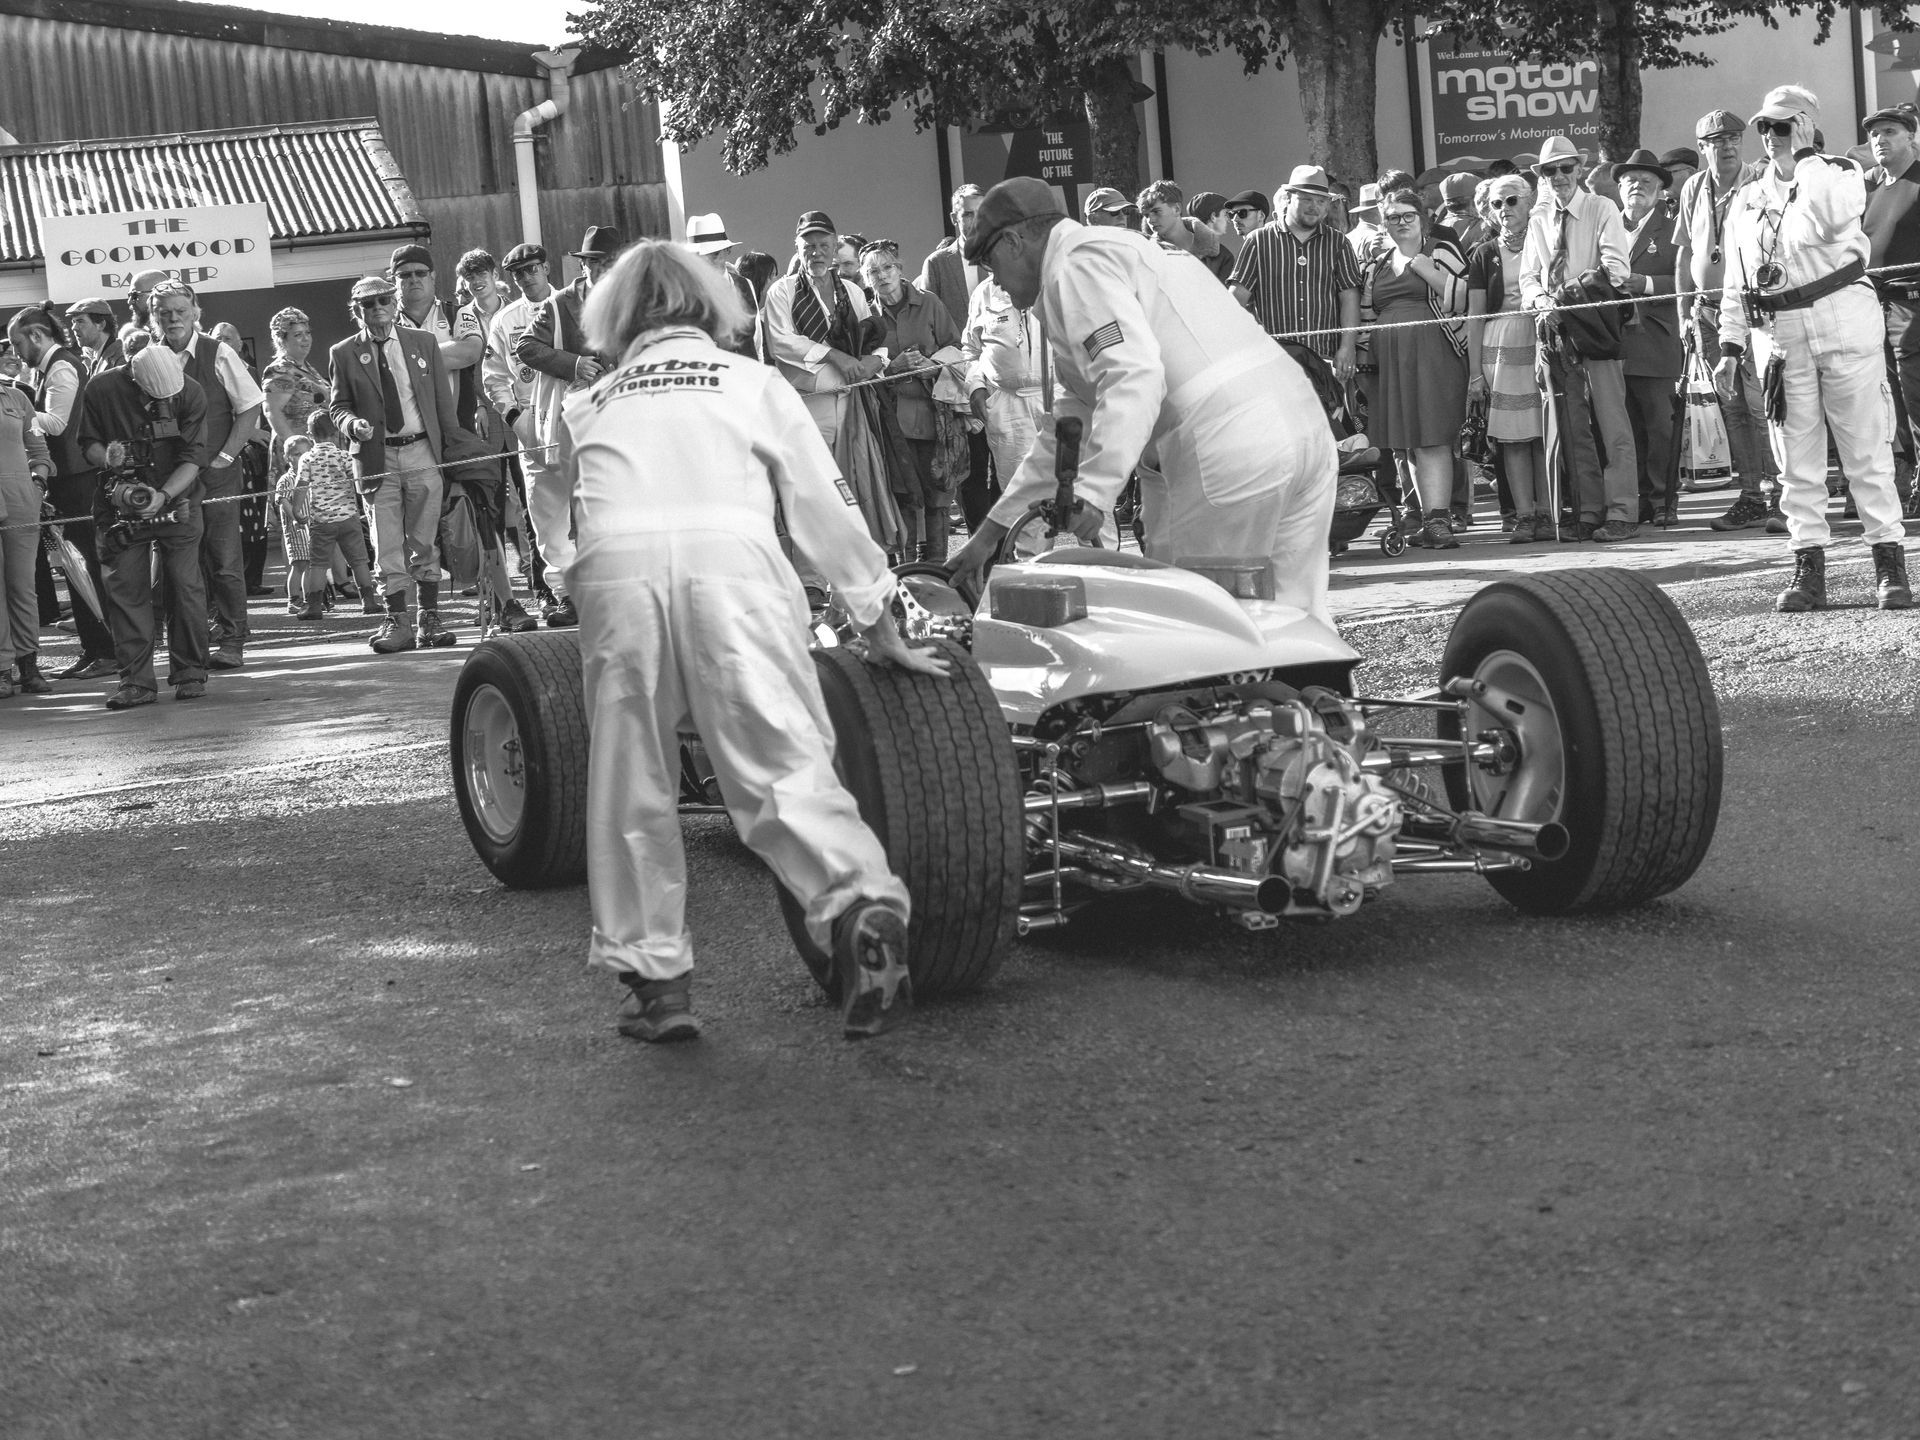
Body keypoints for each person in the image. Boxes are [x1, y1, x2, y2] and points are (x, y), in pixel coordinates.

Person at [561, 239, 946, 1042]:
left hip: (618, 577)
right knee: (781, 758)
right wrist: (879, 620)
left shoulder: (587, 403)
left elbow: (562, 520)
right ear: (709, 308)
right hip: (733, 568)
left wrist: (577, 581)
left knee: (631, 775)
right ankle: (857, 902)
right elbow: (824, 506)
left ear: (618, 319)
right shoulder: (754, 382)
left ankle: (656, 984)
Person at [947, 177, 1337, 623]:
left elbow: (1132, 374)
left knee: (1210, 629)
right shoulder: (1125, 248)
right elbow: (1067, 428)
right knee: (1296, 621)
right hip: (1298, 423)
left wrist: (1093, 491)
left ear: (1015, 241)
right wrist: (988, 536)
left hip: (1225, 446)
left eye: (990, 262)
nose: (994, 281)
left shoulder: (1074, 268)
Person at [1717, 84, 1912, 611]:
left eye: (1781, 125)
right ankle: (1808, 568)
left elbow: (1828, 219)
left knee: (1865, 449)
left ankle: (1889, 566)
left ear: (1804, 125)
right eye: (1764, 127)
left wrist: (1805, 156)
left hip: (1843, 319)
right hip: (1779, 335)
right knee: (1794, 458)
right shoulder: (1749, 194)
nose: (1769, 136)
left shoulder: (1838, 173)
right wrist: (1730, 343)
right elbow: (1738, 274)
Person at [327, 273, 462, 651]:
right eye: (369, 305)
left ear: (394, 303)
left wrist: (450, 455)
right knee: (385, 541)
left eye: (384, 301)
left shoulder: (423, 342)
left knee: (424, 538)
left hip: (422, 450)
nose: (378, 309)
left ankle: (429, 619)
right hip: (376, 455)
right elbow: (338, 405)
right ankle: (396, 620)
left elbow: (441, 403)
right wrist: (352, 424)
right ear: (357, 310)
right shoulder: (344, 351)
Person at [76, 338, 212, 709]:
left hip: (178, 501)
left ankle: (190, 673)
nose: (165, 404)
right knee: (126, 592)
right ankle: (136, 682)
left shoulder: (192, 392)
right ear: (134, 378)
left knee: (185, 586)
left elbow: (194, 457)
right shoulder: (102, 388)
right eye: (156, 399)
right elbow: (86, 443)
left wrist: (164, 496)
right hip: (118, 507)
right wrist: (109, 458)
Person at [1518, 134, 1639, 542]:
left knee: (1612, 423)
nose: (1558, 176)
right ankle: (1588, 511)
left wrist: (1564, 297)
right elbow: (1528, 277)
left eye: (1565, 168)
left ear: (1580, 169)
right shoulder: (1538, 219)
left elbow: (1617, 270)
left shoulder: (1602, 207)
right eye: (1549, 170)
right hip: (1556, 331)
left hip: (1596, 323)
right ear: (1541, 176)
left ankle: (1622, 511)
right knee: (1573, 427)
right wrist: (1541, 301)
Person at [1674, 108, 1781, 531]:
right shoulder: (1694, 187)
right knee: (1731, 407)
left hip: (1751, 309)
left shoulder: (1759, 179)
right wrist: (1684, 311)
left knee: (1762, 407)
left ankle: (1780, 493)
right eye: (1717, 141)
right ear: (1703, 148)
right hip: (1707, 310)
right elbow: (1685, 251)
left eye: (1734, 138)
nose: (1728, 146)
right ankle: (1752, 494)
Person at [147, 281, 264, 666]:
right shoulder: (149, 357)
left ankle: (233, 640)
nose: (173, 318)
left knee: (225, 562)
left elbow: (249, 408)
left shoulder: (219, 352)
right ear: (155, 317)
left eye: (180, 311)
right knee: (180, 566)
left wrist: (228, 457)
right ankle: (191, 647)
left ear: (196, 312)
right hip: (172, 480)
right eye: (165, 313)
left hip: (216, 474)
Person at [514, 225, 624, 628]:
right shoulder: (561, 302)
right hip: (565, 421)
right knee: (553, 512)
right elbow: (525, 347)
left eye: (606, 261)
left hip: (619, 420)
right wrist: (574, 364)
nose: (598, 269)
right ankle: (567, 595)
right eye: (591, 262)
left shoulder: (637, 301)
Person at [1355, 189, 1470, 548]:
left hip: (1435, 351)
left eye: (1408, 216)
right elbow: (1365, 314)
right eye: (1393, 217)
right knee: (1406, 443)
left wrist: (1422, 266)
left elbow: (1465, 296)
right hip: (1388, 357)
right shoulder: (1376, 263)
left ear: (1423, 219)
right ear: (1383, 223)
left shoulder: (1439, 250)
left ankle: (1439, 521)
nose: (1401, 223)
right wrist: (1362, 359)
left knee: (1433, 436)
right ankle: (1420, 515)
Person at [5, 306, 115, 677]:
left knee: (85, 564)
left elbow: (56, 423)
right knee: (75, 566)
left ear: (37, 336)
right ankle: (94, 648)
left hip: (78, 479)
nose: (15, 351)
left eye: (18, 342)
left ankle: (106, 650)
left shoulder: (63, 366)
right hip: (67, 480)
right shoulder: (49, 368)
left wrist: (13, 410)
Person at [862, 240, 965, 561]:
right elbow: (863, 366)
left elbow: (957, 349)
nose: (882, 276)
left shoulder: (929, 303)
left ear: (900, 268)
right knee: (903, 497)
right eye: (873, 271)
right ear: (866, 280)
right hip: (892, 421)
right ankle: (907, 576)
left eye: (887, 267)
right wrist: (894, 368)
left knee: (937, 500)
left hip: (935, 415)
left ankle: (935, 571)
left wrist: (930, 364)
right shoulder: (866, 315)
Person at [1466, 173, 1550, 541]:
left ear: (1530, 201)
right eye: (1496, 203)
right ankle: (1524, 515)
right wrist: (1474, 374)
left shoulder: (1546, 238)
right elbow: (1475, 316)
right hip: (1499, 346)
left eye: (1512, 200)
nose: (1504, 210)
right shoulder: (1484, 253)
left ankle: (1550, 512)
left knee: (1546, 432)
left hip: (1541, 339)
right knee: (1513, 437)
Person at [1228, 165, 1361, 380]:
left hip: (1324, 359)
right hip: (1274, 360)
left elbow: (1349, 298)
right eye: (1307, 199)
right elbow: (1235, 300)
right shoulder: (1259, 241)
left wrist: (1347, 347)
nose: (1314, 207)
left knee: (1326, 415)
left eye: (1321, 201)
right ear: (1289, 198)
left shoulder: (1338, 243)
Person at [1611, 149, 1685, 526]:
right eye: (1630, 181)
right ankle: (1634, 499)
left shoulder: (1672, 229)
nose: (1637, 188)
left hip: (1656, 341)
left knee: (1659, 426)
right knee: (1625, 427)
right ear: (1619, 188)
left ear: (1659, 189)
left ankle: (1662, 500)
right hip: (1611, 343)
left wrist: (1646, 284)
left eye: (1646, 182)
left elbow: (1688, 283)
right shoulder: (1604, 226)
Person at [764, 211, 880, 449]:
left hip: (856, 400)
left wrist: (877, 361)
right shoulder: (782, 291)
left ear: (835, 247)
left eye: (824, 245)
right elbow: (781, 343)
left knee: (858, 478)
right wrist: (836, 356)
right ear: (798, 250)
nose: (816, 253)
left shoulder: (852, 291)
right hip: (807, 405)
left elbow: (871, 338)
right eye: (809, 247)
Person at [483, 242, 558, 610]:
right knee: (540, 509)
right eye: (518, 273)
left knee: (584, 504)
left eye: (532, 269)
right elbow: (494, 377)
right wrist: (515, 418)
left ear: (546, 269)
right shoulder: (505, 320)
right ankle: (554, 592)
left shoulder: (570, 305)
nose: (527, 278)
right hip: (531, 418)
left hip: (570, 412)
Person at [916, 185, 995, 530]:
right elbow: (930, 323)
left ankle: (1009, 542)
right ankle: (982, 544)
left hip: (1004, 377)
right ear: (954, 217)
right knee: (974, 468)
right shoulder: (939, 263)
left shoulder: (1001, 252)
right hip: (961, 380)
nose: (973, 219)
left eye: (980, 211)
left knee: (1008, 464)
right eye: (966, 213)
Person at [1862, 102, 1920, 518]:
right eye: (1874, 134)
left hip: (1913, 303)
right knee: (1888, 399)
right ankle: (1907, 475)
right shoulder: (1866, 184)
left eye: (1890, 132)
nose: (1879, 140)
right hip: (1871, 304)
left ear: (1911, 137)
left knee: (1914, 394)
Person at [294, 409, 379, 614]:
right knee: (359, 561)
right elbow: (357, 481)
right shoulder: (343, 456)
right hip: (349, 517)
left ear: (309, 434)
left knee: (318, 564)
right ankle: (368, 602)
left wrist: (296, 510)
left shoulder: (307, 458)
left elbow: (301, 485)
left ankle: (314, 606)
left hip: (322, 520)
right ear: (336, 433)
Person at [0, 369, 53, 696]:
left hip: (21, 499)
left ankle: (29, 664)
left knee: (23, 584)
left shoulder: (16, 396)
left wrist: (38, 483)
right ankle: (2, 669)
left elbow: (38, 449)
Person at [1137, 179, 1234, 282]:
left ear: (1177, 209)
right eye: (1146, 215)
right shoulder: (1144, 255)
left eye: (1156, 212)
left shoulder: (1222, 256)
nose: (1150, 220)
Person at [64, 297, 123, 376]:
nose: (74, 327)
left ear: (101, 325)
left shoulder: (120, 359)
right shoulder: (95, 359)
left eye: (80, 321)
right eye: (73, 322)